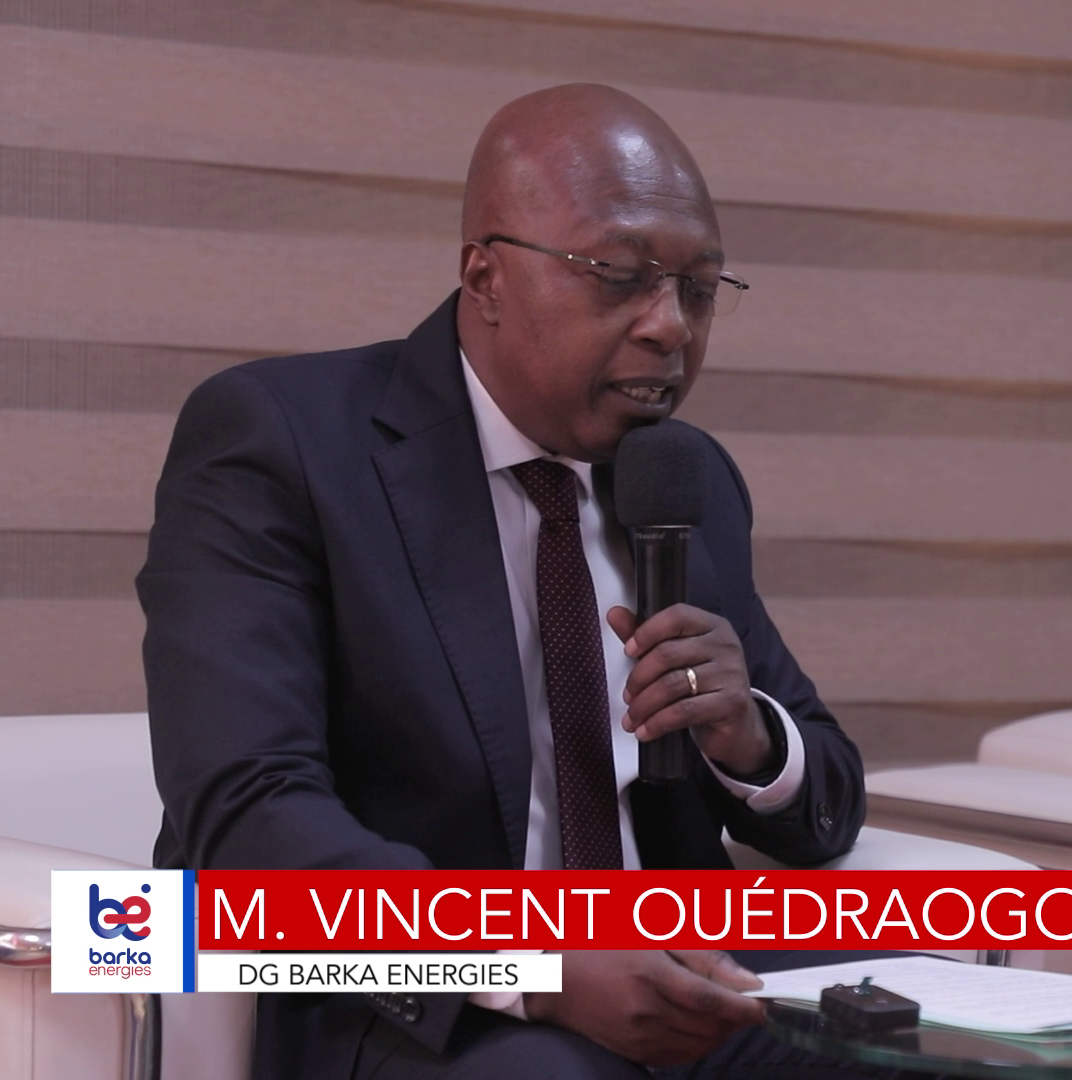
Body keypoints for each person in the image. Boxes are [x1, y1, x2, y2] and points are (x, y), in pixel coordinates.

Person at [139, 84, 881, 1078]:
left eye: (700, 289)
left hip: (682, 973)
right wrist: (537, 965)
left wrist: (749, 736)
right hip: (421, 1013)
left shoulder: (682, 480)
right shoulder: (283, 441)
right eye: (621, 276)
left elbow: (826, 796)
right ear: (484, 277)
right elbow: (248, 813)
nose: (671, 327)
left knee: (935, 1047)